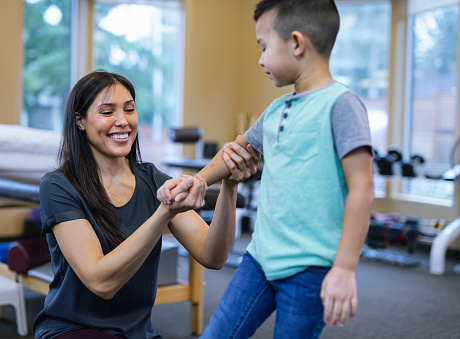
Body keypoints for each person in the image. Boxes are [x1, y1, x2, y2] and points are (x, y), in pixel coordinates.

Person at [158, 0, 374, 338]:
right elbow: (235, 150)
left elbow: (362, 188)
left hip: (310, 268)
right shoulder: (275, 110)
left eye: (263, 46)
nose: (259, 58)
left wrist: (344, 268)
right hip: (259, 258)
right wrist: (198, 180)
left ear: (297, 43)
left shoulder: (342, 105)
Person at [33, 70, 261, 339]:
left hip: (137, 333)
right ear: (80, 121)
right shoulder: (59, 185)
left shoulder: (153, 180)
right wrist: (163, 213)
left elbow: (213, 256)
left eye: (129, 109)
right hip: (73, 328)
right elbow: (101, 281)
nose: (122, 121)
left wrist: (229, 186)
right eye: (107, 112)